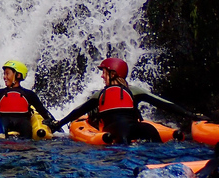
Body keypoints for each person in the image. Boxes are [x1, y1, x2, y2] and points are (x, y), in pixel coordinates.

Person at [46, 57, 209, 144]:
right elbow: (164, 104)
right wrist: (192, 115)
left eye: (104, 73)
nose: (102, 76)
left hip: (115, 131)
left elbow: (78, 112)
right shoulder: (135, 91)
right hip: (139, 128)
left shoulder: (100, 95)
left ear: (113, 74)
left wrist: (57, 125)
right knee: (151, 141)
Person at [0, 60, 57, 138]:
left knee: (26, 131)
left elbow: (43, 112)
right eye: (4, 74)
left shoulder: (29, 94)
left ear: (18, 75)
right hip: (4, 120)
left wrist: (54, 124)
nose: (4, 77)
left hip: (23, 122)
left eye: (7, 73)